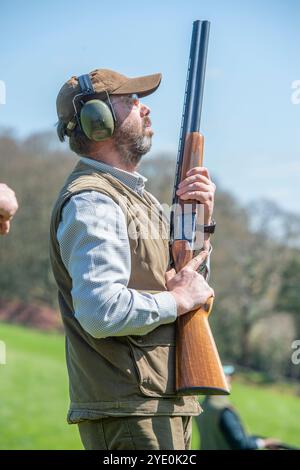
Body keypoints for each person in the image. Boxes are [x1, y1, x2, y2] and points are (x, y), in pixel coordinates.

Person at [49, 68, 216, 450]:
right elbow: (100, 311)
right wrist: (175, 301)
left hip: (160, 404)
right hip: (131, 412)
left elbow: (192, 285)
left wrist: (202, 221)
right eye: (130, 100)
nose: (145, 109)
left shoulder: (140, 200)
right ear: (98, 121)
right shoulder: (93, 201)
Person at [195, 365, 282, 450]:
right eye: (226, 375)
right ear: (217, 379)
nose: (230, 378)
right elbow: (241, 444)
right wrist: (264, 443)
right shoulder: (223, 410)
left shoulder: (202, 406)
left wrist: (260, 440)